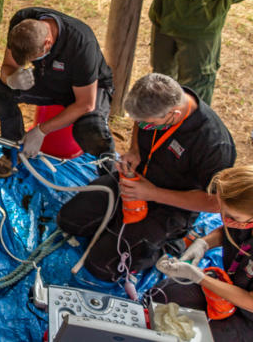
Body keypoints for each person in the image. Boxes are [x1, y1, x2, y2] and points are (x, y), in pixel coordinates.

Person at [57, 73, 236, 282]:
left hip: (170, 206)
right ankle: (119, 227)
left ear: (174, 114)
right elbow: (141, 120)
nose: (142, 126)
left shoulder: (214, 145)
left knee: (102, 267)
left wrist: (153, 194)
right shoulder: (156, 99)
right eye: (139, 122)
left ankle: (169, 245)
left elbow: (215, 203)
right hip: (135, 182)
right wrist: (134, 150)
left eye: (149, 124)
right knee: (68, 221)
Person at [0, 7, 115, 177]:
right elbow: (9, 66)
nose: (28, 63)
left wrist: (41, 131)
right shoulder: (22, 23)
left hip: (90, 88)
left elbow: (85, 104)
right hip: (49, 76)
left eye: (32, 59)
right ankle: (14, 152)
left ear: (47, 44)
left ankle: (110, 174)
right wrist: (11, 79)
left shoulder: (81, 43)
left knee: (92, 130)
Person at [155, 166, 253, 341]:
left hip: (248, 318)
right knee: (163, 296)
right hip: (232, 286)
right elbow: (228, 230)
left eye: (232, 217)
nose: (225, 220)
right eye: (221, 212)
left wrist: (200, 278)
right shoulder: (241, 221)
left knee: (188, 334)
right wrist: (204, 243)